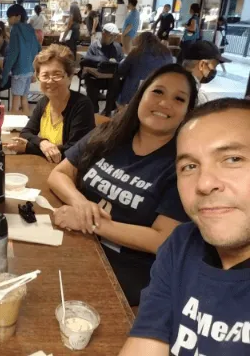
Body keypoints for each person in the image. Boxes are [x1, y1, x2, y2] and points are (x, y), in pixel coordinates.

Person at [48, 64, 198, 306]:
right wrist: (82, 204)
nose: (164, 103)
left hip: (124, 272)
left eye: (178, 99)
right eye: (157, 92)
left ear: (187, 112)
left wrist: (92, 222)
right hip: (75, 243)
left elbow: (162, 240)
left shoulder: (183, 166)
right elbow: (59, 174)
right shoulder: (109, 133)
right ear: (142, 95)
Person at [119, 98, 250, 355]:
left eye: (233, 159)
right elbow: (146, 343)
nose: (204, 183)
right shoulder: (182, 244)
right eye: (189, 166)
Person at [7, 44, 95, 163]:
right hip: (47, 166)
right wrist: (42, 142)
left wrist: (29, 147)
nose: (50, 81)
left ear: (69, 77)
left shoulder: (82, 105)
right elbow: (26, 132)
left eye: (57, 75)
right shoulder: (44, 102)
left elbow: (74, 151)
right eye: (45, 75)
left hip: (71, 172)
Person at [1, 4, 41, 114]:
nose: (8, 19)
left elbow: (13, 54)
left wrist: (4, 76)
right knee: (24, 100)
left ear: (18, 17)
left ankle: (12, 128)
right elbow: (38, 48)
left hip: (19, 71)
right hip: (29, 70)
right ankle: (26, 124)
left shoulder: (15, 29)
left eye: (10, 16)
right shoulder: (30, 29)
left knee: (15, 102)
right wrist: (34, 71)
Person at [117, 32, 173, 106]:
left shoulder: (137, 52)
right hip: (159, 89)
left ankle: (115, 107)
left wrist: (124, 60)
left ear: (140, 41)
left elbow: (121, 69)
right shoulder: (167, 53)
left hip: (133, 92)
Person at [82, 23, 124, 113]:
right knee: (90, 81)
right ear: (103, 33)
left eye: (115, 36)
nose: (113, 38)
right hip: (96, 78)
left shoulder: (116, 47)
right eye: (111, 36)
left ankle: (108, 109)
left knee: (116, 82)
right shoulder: (95, 46)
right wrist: (100, 60)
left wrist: (115, 63)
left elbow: (122, 61)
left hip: (110, 79)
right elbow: (87, 59)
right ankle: (93, 110)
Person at [182, 40, 231, 106]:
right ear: (202, 65)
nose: (215, 70)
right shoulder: (198, 99)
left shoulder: (171, 81)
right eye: (214, 66)